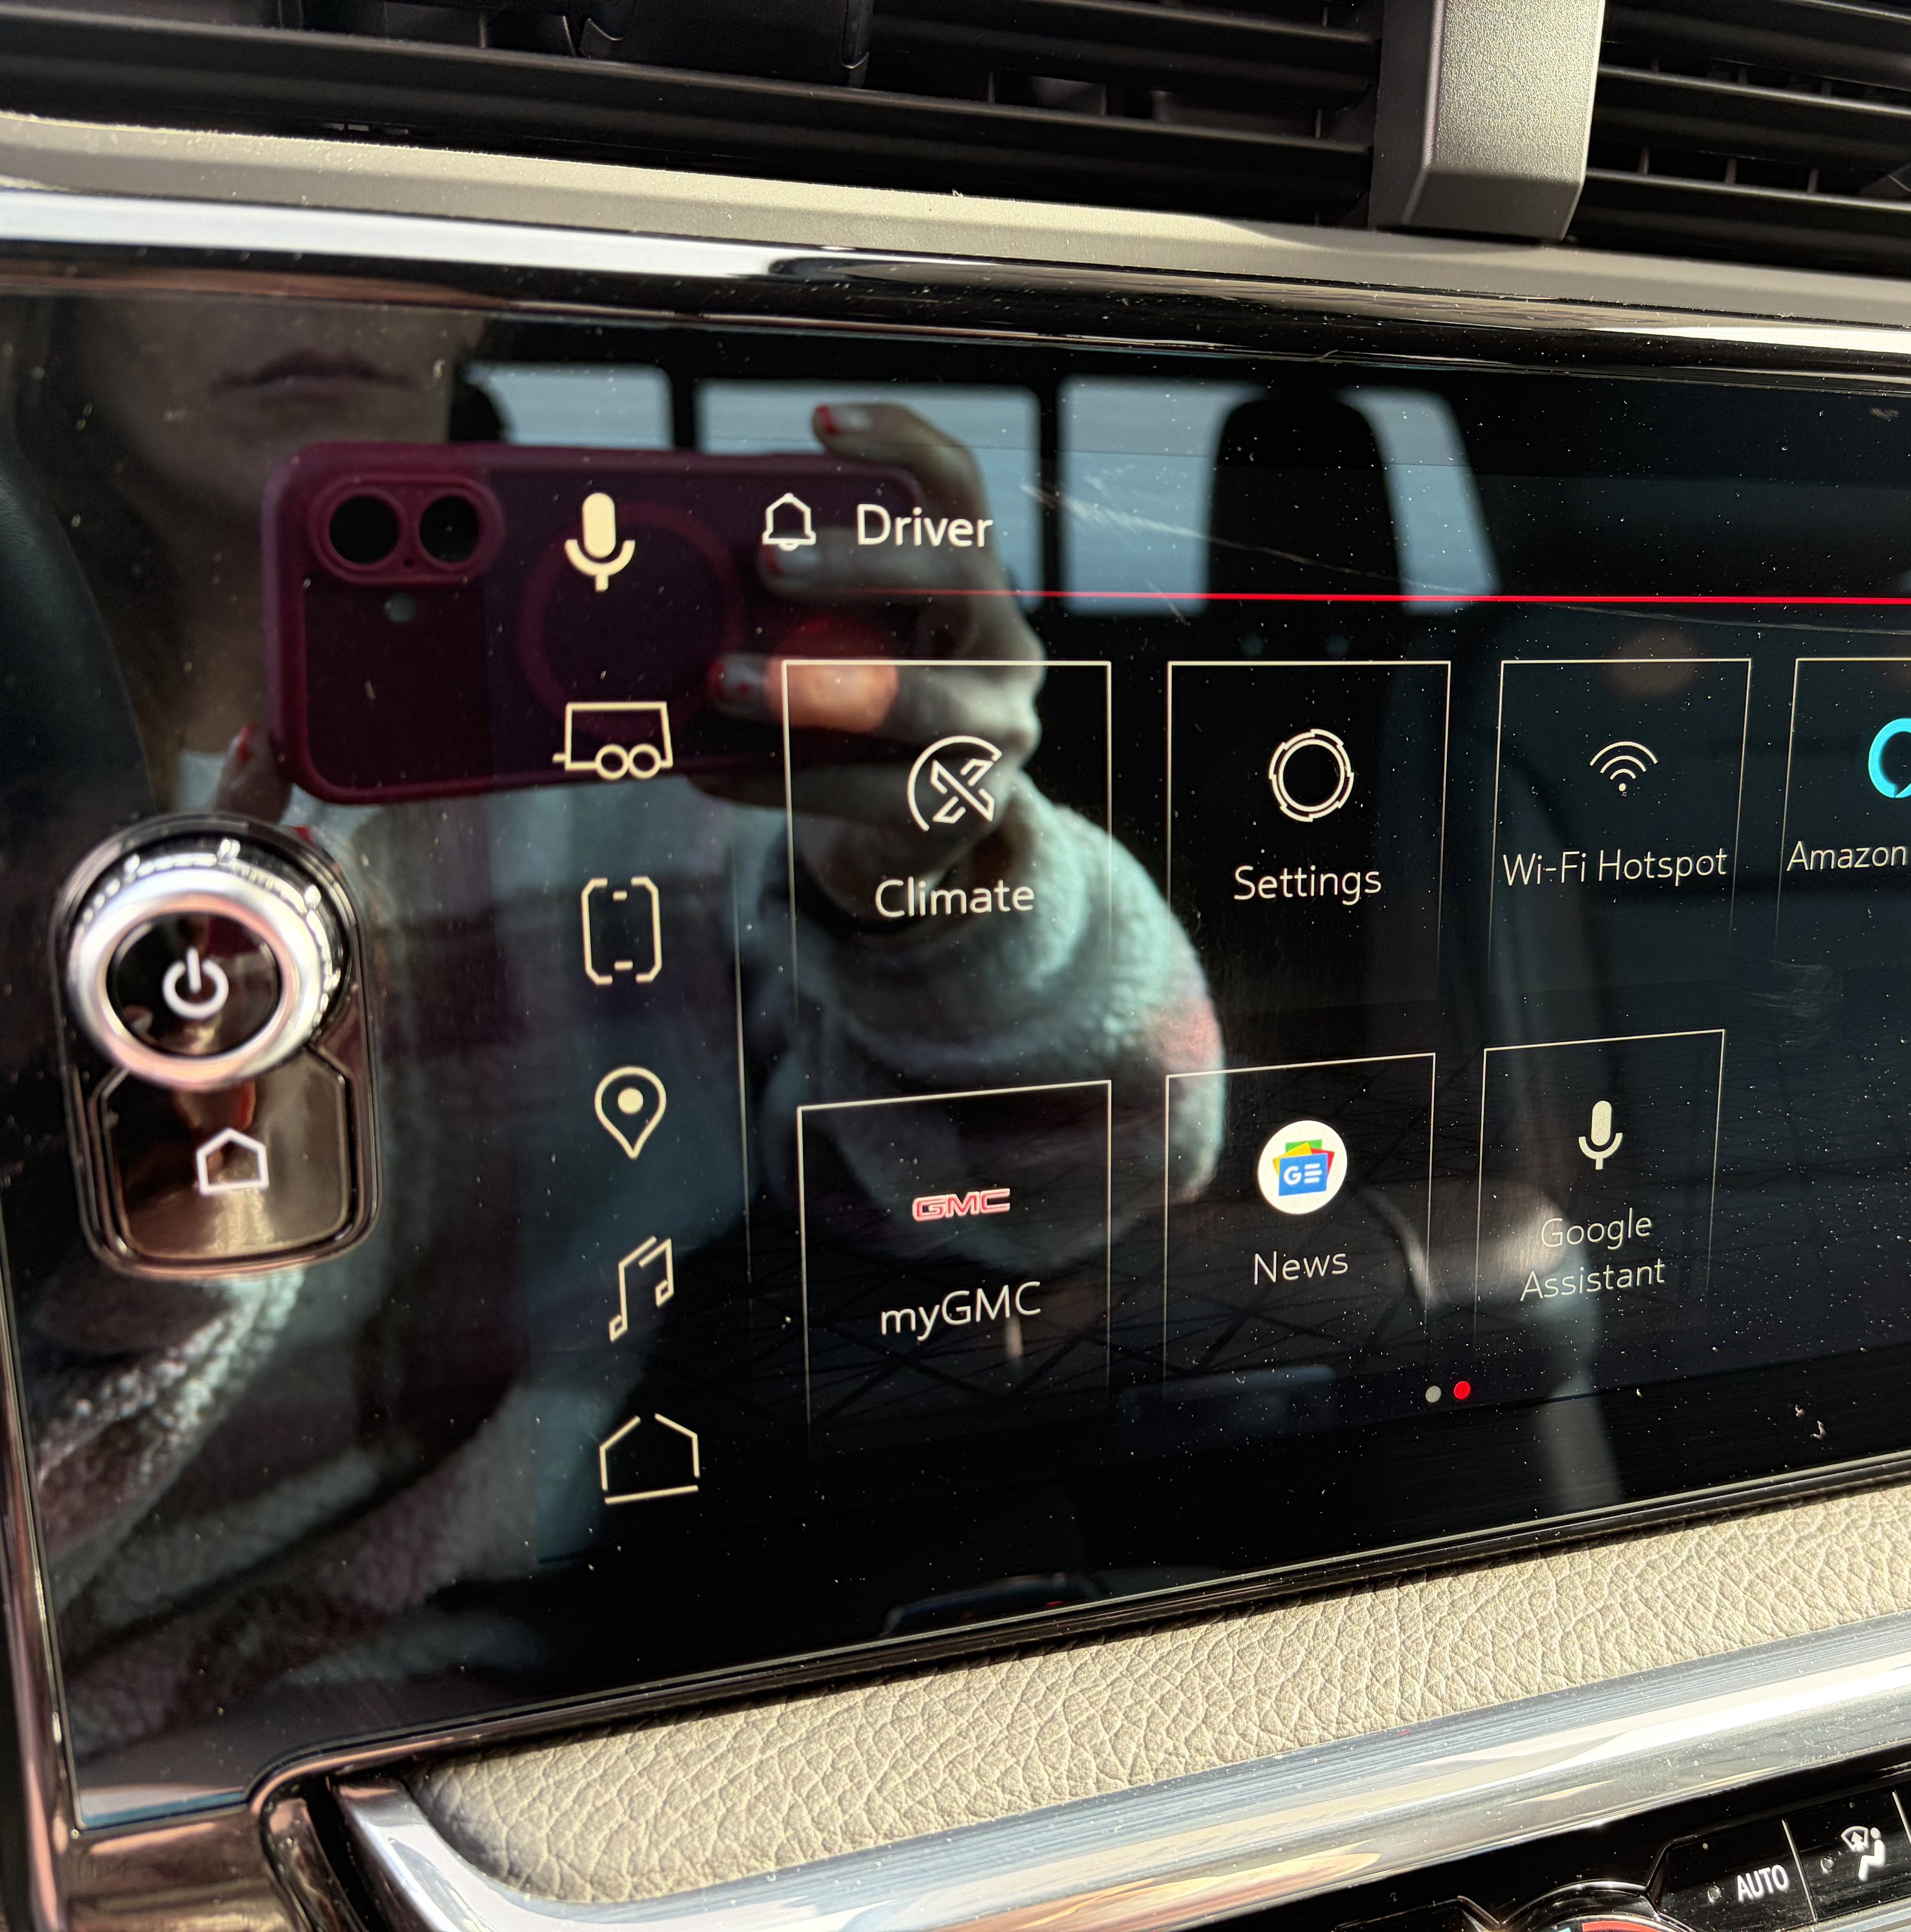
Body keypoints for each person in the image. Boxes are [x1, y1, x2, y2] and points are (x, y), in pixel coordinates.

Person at [8, 290, 1222, 1797]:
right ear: (51, 306)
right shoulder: (35, 812)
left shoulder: (646, 748)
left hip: (560, 1712)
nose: (309, 268)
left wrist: (943, 869)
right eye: (223, 194)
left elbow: (1100, 1153)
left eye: (406, 198)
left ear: (476, 297)